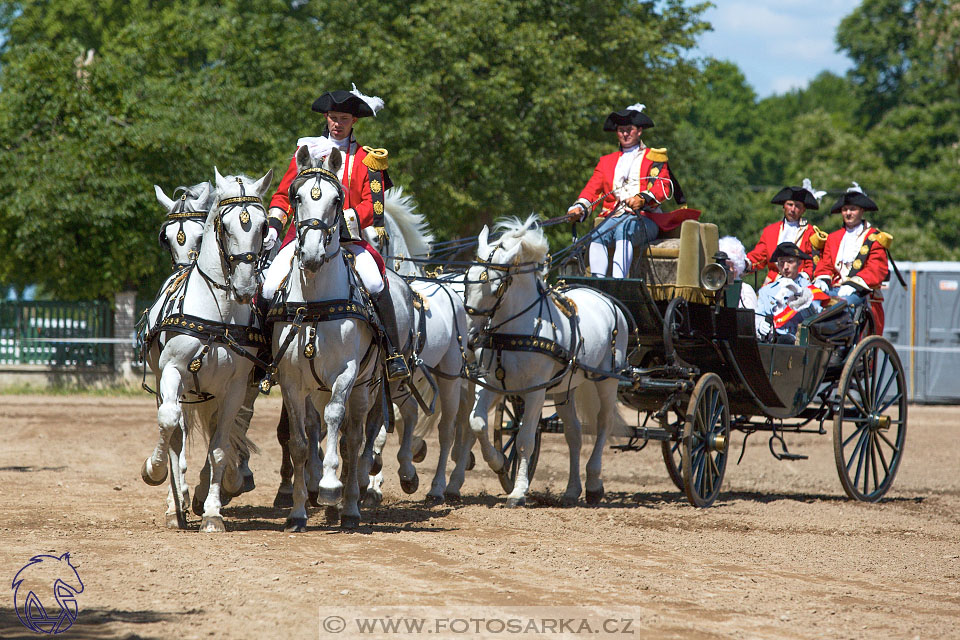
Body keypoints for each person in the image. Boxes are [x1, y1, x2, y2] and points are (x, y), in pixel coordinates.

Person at [262, 84, 409, 380]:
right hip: (303, 239)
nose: (337, 124)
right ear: (326, 118)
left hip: (348, 241)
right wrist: (275, 227)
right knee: (267, 287)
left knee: (376, 283)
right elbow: (282, 196)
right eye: (332, 117)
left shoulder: (368, 160)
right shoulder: (306, 152)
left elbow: (374, 207)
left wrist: (344, 219)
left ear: (354, 121)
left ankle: (393, 354)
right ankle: (265, 357)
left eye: (343, 118)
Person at [566, 103, 673, 278]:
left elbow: (663, 186)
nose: (625, 133)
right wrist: (578, 208)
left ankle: (618, 283)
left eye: (629, 129)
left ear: (639, 131)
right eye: (621, 130)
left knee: (625, 228)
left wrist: (642, 198)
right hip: (613, 218)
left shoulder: (654, 157)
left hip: (646, 219)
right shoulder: (606, 162)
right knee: (596, 234)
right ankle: (598, 283)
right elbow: (591, 191)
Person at [812, 182, 891, 335]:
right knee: (808, 300)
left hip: (862, 294)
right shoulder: (834, 238)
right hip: (835, 289)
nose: (848, 213)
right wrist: (822, 279)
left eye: (852, 209)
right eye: (845, 209)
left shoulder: (874, 238)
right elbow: (826, 265)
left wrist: (854, 285)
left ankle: (838, 344)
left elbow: (877, 270)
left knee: (842, 304)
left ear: (862, 211)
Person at [747, 178, 827, 286]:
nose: (793, 209)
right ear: (783, 207)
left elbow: (812, 263)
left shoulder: (810, 232)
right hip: (773, 283)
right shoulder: (770, 231)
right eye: (790, 204)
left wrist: (801, 279)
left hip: (800, 283)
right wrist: (742, 263)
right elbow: (758, 257)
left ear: (803, 210)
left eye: (797, 206)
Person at [755, 242, 823, 343]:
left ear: (799, 262)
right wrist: (759, 324)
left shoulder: (810, 289)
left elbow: (816, 318)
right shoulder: (767, 290)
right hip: (772, 340)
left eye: (790, 262)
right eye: (781, 262)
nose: (785, 267)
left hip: (800, 342)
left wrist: (802, 297)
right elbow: (759, 314)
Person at [718, 236, 757, 310]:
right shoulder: (712, 287)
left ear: (736, 269)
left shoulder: (745, 291)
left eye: (728, 266)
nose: (725, 270)